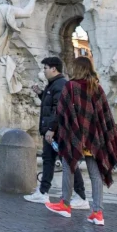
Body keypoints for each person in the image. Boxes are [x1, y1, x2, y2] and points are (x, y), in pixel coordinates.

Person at [45, 57, 117, 226]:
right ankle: (97, 212)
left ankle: (65, 204)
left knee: (68, 166)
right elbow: (105, 115)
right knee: (95, 174)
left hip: (75, 135)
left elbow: (61, 112)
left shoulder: (71, 86)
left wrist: (51, 130)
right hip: (94, 137)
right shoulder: (97, 88)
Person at [24, 56, 88, 209]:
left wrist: (52, 129)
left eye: (45, 68)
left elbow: (59, 109)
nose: (43, 71)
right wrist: (40, 93)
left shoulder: (60, 85)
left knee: (68, 161)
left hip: (58, 132)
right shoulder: (53, 84)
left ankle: (81, 196)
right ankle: (43, 191)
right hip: (52, 131)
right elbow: (51, 105)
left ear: (54, 68)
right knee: (48, 159)